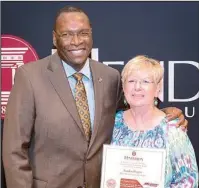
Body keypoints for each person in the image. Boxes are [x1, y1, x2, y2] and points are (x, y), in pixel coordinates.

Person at [3, 6, 187, 188]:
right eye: (66, 34)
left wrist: (163, 113)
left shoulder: (110, 76)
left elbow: (133, 110)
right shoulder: (30, 76)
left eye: (83, 33)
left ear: (91, 34)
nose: (76, 41)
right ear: (54, 38)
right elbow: (14, 149)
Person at [111, 55, 198, 187]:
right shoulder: (111, 124)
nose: (137, 87)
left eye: (145, 81)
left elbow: (189, 181)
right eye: (131, 81)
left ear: (157, 88)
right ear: (123, 87)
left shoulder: (173, 129)